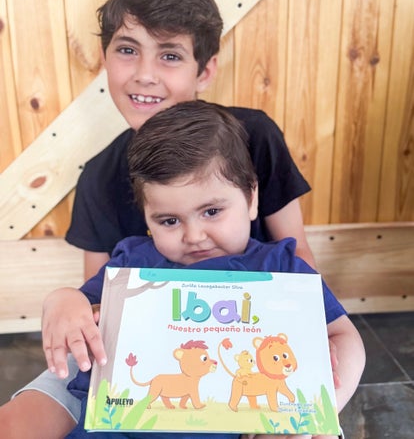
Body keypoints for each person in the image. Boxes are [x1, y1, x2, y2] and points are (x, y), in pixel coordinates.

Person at [0, 0, 320, 438]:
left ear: (205, 70)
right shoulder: (99, 177)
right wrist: (63, 303)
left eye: (169, 55)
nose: (145, 75)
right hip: (125, 359)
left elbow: (301, 259)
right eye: (128, 50)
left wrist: (308, 359)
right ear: (104, 58)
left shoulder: (254, 137)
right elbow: (102, 306)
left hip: (245, 353)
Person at [42, 101, 365, 439]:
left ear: (251, 199)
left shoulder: (282, 269)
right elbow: (81, 307)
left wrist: (322, 413)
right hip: (118, 429)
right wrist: (63, 300)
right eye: (169, 221)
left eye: (211, 212)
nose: (194, 236)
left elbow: (346, 337)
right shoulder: (133, 266)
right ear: (147, 217)